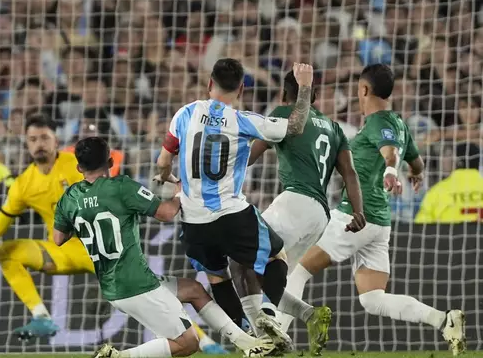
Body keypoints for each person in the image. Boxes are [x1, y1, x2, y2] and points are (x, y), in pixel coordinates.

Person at [0, 114, 227, 353]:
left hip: (103, 252)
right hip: (63, 252)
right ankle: (41, 317)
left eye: (44, 137)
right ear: (26, 143)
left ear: (56, 140)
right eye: (32, 139)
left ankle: (206, 342)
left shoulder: (77, 165)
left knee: (155, 295)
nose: (39, 144)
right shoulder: (23, 184)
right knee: (6, 251)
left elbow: (112, 182)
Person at [285, 64, 466, 356]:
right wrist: (414, 173)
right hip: (380, 223)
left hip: (355, 217)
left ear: (364, 90)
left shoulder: (376, 123)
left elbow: (390, 152)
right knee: (373, 300)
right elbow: (416, 162)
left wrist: (391, 170)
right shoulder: (400, 123)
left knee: (296, 270)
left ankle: (278, 340)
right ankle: (444, 320)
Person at [53, 137, 275, 358]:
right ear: (110, 162)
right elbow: (167, 213)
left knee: (194, 290)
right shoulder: (121, 187)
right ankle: (118, 357)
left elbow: (58, 238)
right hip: (136, 285)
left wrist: (86, 220)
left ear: (79, 167)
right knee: (188, 343)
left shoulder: (69, 198)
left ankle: (247, 344)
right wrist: (179, 192)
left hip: (114, 285)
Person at [155, 59, 314, 353]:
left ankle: (250, 340)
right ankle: (263, 315)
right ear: (241, 89)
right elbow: (296, 126)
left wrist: (169, 179)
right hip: (230, 213)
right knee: (275, 254)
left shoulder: (185, 114)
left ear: (208, 84)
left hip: (193, 222)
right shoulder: (244, 120)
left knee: (218, 277)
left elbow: (163, 162)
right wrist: (304, 86)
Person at [231, 70, 366, 356]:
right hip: (320, 215)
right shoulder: (334, 127)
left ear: (283, 94)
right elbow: (350, 174)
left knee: (242, 259)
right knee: (270, 277)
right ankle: (309, 315)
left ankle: (265, 339)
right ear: (314, 96)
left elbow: (251, 157)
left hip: (293, 202)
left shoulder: (284, 113)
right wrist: (358, 210)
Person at [415, 143, 483, 223]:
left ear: (458, 162)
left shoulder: (437, 191)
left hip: (447, 234)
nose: (444, 160)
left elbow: (420, 226)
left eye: (449, 155)